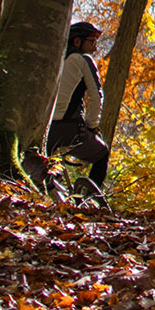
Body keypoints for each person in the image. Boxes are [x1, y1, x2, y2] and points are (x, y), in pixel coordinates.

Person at [47, 21, 111, 188]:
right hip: (68, 128)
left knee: (51, 163)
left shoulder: (54, 60)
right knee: (102, 153)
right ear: (77, 42)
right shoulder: (83, 60)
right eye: (91, 42)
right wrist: (92, 126)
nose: (95, 48)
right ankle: (91, 199)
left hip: (45, 127)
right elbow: (96, 97)